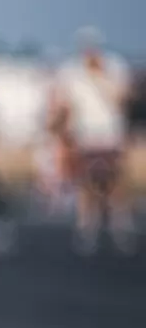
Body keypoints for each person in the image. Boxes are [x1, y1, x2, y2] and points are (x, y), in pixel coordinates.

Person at [54, 28, 134, 254]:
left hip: (110, 134)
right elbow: (65, 104)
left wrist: (98, 76)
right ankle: (87, 229)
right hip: (85, 135)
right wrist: (64, 134)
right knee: (86, 184)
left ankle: (121, 228)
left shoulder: (115, 67)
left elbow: (121, 99)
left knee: (115, 184)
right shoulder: (70, 72)